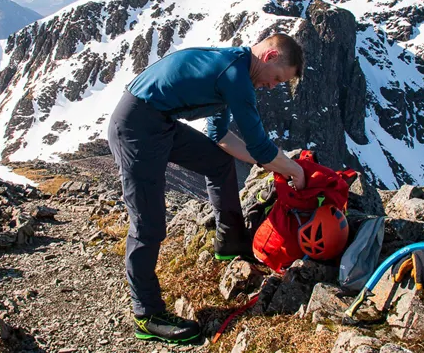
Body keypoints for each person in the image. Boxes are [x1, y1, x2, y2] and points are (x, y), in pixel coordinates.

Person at [107, 33, 306, 344]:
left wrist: (278, 165)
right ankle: (147, 315)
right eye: (278, 78)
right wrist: (294, 169)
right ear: (269, 57)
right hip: (136, 127)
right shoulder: (235, 76)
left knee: (218, 162)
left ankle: (229, 242)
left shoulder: (233, 66)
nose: (273, 86)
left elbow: (220, 136)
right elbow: (260, 147)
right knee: (148, 224)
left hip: (161, 123)